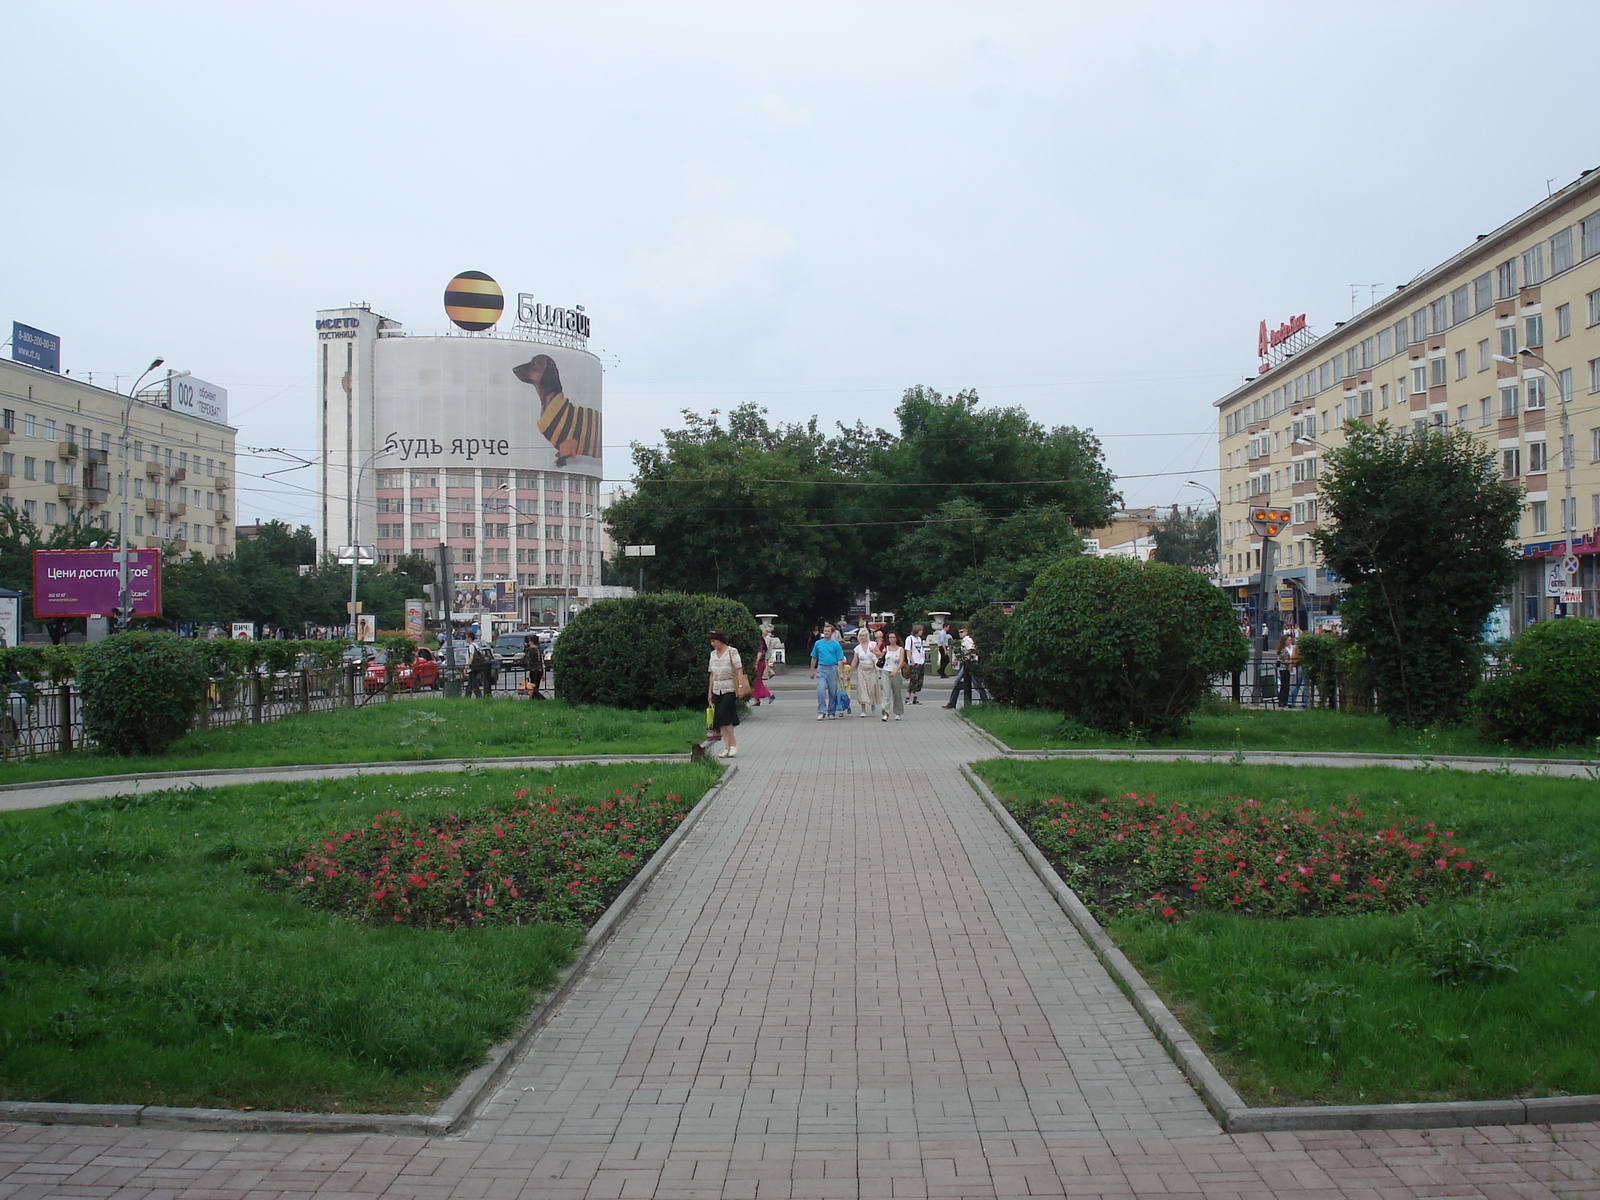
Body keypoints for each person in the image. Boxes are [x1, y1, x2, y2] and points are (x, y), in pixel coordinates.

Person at [706, 629, 743, 758]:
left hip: (729, 688)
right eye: (711, 642)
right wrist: (709, 692)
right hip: (717, 688)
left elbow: (739, 670)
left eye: (714, 641)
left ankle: (733, 744)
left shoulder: (732, 652)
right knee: (721, 719)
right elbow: (712, 674)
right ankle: (727, 747)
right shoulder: (713, 655)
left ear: (721, 640)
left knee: (724, 714)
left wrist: (740, 686)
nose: (713, 644)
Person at [942, 625, 989, 708]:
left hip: (970, 664)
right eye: (959, 632)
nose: (960, 634)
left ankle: (986, 702)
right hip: (968, 664)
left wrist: (967, 658)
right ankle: (952, 703)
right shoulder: (965, 640)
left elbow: (972, 650)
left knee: (977, 684)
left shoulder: (967, 640)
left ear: (967, 632)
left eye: (962, 632)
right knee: (963, 683)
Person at [810, 621, 844, 719]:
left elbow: (840, 659)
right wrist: (812, 671)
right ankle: (821, 711)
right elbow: (814, 657)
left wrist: (841, 672)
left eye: (828, 631)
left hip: (832, 669)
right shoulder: (818, 643)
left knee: (832, 691)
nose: (826, 633)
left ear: (831, 633)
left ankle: (831, 711)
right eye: (825, 631)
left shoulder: (835, 644)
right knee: (820, 690)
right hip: (821, 668)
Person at [851, 628, 881, 718]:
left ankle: (873, 703)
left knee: (871, 688)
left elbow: (880, 655)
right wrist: (850, 672)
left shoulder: (873, 644)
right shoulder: (857, 648)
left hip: (871, 669)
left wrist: (874, 651)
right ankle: (863, 710)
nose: (862, 637)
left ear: (867, 636)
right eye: (860, 635)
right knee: (862, 689)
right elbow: (854, 661)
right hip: (862, 670)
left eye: (863, 635)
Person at [880, 630, 906, 721]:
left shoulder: (900, 649)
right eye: (890, 637)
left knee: (897, 693)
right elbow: (880, 657)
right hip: (886, 671)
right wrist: (881, 652)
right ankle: (885, 712)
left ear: (896, 638)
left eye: (893, 637)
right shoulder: (886, 648)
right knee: (886, 693)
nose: (891, 639)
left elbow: (901, 661)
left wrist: (896, 670)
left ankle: (898, 711)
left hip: (896, 673)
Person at [905, 624, 927, 705]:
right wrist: (912, 661)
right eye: (920, 630)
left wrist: (923, 659)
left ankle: (915, 698)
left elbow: (921, 649)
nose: (922, 632)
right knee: (913, 680)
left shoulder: (919, 639)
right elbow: (908, 650)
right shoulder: (910, 639)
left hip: (920, 661)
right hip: (915, 662)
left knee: (919, 681)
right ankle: (907, 698)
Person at [523, 634, 545, 699]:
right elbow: (540, 661)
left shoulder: (531, 650)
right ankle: (534, 699)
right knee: (536, 686)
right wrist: (542, 672)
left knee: (533, 687)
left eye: (530, 641)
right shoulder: (538, 650)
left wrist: (528, 671)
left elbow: (530, 662)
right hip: (539, 670)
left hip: (534, 670)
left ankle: (541, 699)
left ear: (531, 642)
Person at [751, 641, 773, 706]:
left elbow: (759, 652)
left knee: (756, 681)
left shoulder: (759, 642)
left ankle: (769, 694)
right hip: (761, 663)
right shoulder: (762, 642)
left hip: (759, 664)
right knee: (757, 681)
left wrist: (756, 663)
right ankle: (757, 700)